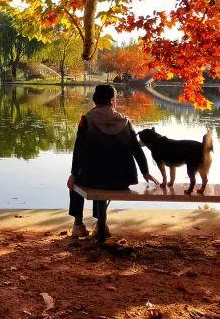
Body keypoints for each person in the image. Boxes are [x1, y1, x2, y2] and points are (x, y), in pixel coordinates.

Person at [66, 83, 157, 238]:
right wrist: (145, 172)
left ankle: (78, 225)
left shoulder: (87, 120)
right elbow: (136, 149)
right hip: (122, 179)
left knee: (82, 180)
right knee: (103, 174)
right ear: (112, 99)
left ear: (95, 99)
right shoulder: (125, 122)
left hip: (93, 179)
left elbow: (78, 150)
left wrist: (73, 174)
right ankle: (101, 224)